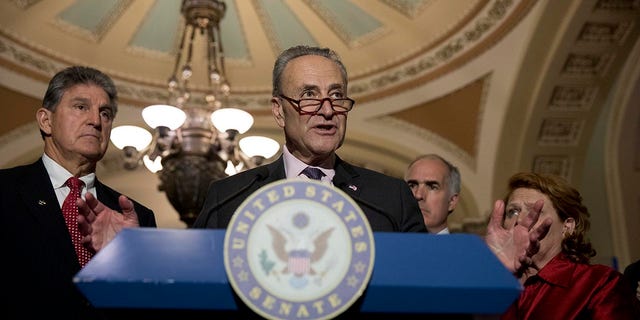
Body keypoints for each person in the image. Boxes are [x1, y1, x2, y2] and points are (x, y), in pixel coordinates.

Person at [193, 45, 426, 232]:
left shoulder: (391, 197)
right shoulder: (228, 198)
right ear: (279, 111)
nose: (327, 110)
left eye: (336, 95)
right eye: (309, 96)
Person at [0, 66, 157, 319]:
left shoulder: (138, 217)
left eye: (104, 113)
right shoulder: (5, 192)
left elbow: (151, 310)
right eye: (81, 107)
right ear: (46, 120)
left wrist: (131, 258)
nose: (96, 121)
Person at [492, 172, 640, 319]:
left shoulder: (599, 283)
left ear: (567, 227)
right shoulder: (492, 286)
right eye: (513, 212)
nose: (519, 221)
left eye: (534, 211)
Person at [404, 154, 460, 234]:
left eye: (432, 187)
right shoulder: (383, 244)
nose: (418, 195)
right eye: (412, 186)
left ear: (452, 201)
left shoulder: (465, 246)